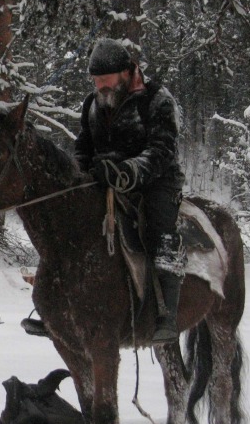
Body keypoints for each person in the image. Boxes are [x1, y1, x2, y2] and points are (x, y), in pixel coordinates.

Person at [74, 37, 186, 344]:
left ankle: (167, 313)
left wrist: (128, 170)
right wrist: (79, 174)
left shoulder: (156, 99)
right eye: (96, 80)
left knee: (161, 232)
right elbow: (83, 147)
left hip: (155, 181)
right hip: (105, 181)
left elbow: (162, 150)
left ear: (126, 73)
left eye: (106, 79)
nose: (100, 85)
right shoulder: (92, 104)